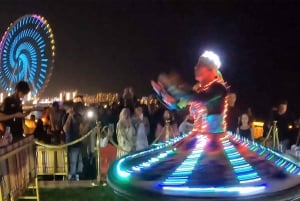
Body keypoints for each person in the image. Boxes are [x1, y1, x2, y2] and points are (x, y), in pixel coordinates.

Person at [63, 102, 84, 181]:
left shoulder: (79, 117)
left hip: (77, 141)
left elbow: (81, 128)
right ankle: (72, 174)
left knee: (77, 159)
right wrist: (70, 116)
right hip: (70, 140)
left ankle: (76, 174)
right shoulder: (67, 116)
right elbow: (65, 129)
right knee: (72, 159)